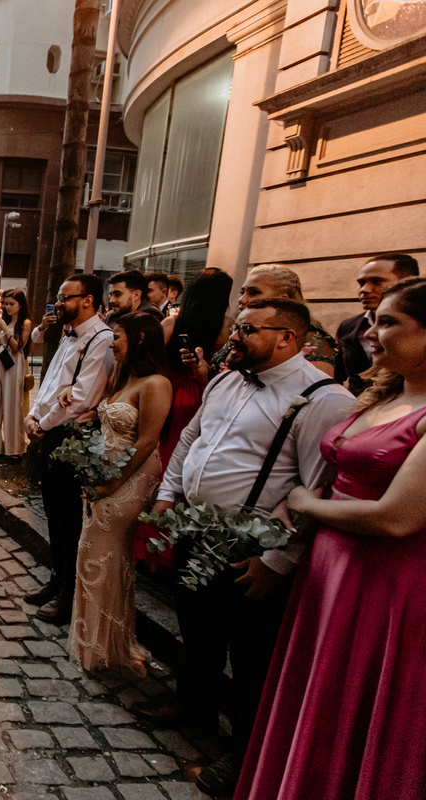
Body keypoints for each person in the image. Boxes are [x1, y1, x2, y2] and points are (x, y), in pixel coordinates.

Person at [134, 299, 354, 797]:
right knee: (197, 627)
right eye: (237, 326)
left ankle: (245, 753)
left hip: (254, 544)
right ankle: (194, 703)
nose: (235, 336)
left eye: (249, 329)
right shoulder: (228, 378)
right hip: (195, 527)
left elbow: (317, 487)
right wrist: (169, 494)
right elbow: (191, 438)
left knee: (251, 655)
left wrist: (277, 562)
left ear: (287, 338)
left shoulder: (323, 398)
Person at [238, 277, 426, 800]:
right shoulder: (381, 393)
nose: (370, 330)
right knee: (315, 696)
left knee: (356, 705)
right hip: (329, 569)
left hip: (384, 581)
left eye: (389, 322)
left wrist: (303, 501)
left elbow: (396, 518)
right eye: (375, 318)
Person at [69, 313, 172, 678]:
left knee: (103, 553)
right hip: (105, 475)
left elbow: (147, 441)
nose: (112, 344)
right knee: (91, 554)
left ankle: (110, 647)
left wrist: (114, 480)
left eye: (118, 337)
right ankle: (97, 641)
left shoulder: (157, 383)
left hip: (131, 478)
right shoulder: (126, 377)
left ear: (141, 339)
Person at [24, 274, 112, 622]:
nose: (58, 304)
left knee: (69, 519)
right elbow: (51, 383)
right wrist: (32, 415)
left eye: (65, 297)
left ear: (88, 299)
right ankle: (56, 578)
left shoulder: (101, 340)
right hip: (48, 431)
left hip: (71, 436)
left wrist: (42, 425)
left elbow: (82, 396)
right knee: (54, 516)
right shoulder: (68, 334)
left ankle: (69, 594)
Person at [137, 268, 234, 569]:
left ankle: (150, 548)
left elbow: (148, 360)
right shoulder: (227, 328)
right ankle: (169, 551)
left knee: (163, 464)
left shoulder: (172, 322)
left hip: (170, 394)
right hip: (204, 397)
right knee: (186, 469)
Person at [334, 252, 419, 396]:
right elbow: (337, 377)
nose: (364, 290)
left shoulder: (419, 327)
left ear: (407, 282)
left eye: (377, 281)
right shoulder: (348, 327)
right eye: (361, 283)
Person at [231, 264, 336, 379]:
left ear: (283, 300)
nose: (242, 300)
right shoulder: (238, 332)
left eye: (254, 292)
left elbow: (312, 391)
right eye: (242, 293)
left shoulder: (310, 340)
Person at [0, 288, 32, 457]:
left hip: (13, 363)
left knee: (12, 404)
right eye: (5, 304)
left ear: (20, 305)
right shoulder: (4, 321)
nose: (8, 307)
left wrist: (4, 327)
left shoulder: (25, 323)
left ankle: (15, 448)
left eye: (11, 304)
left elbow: (18, 347)